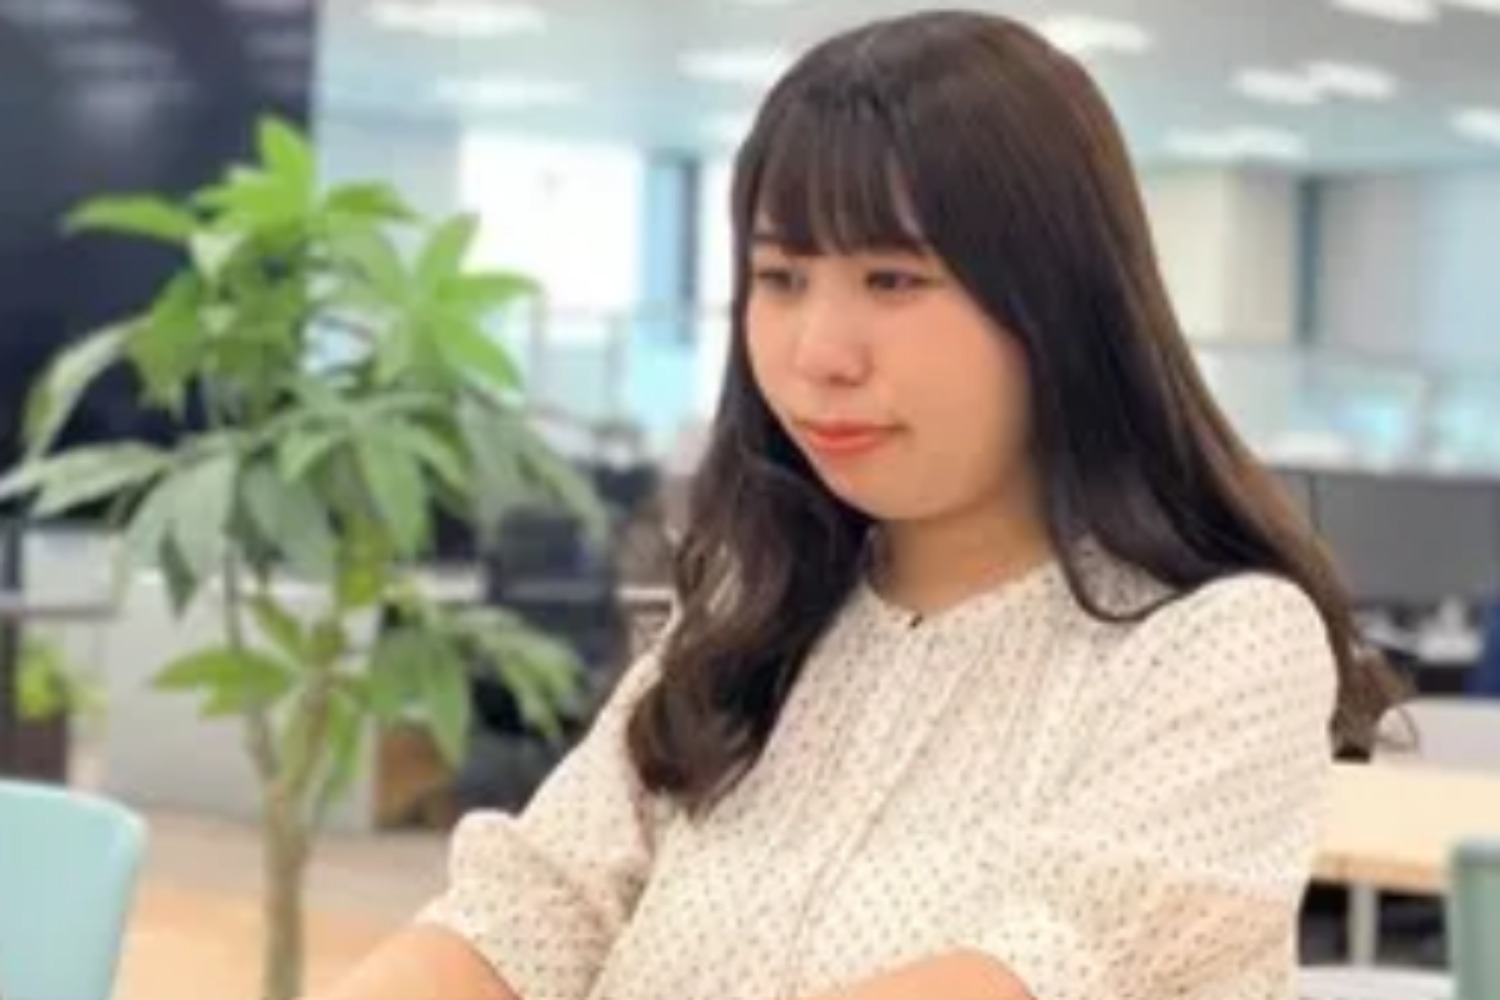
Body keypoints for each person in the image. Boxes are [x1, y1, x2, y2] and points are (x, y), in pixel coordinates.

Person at [310, 11, 1400, 1000]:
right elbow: (531, 910)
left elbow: (1049, 968)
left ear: (1057, 304)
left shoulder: (1218, 642)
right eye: (781, 278)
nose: (819, 353)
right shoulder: (752, 615)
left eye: (894, 280)